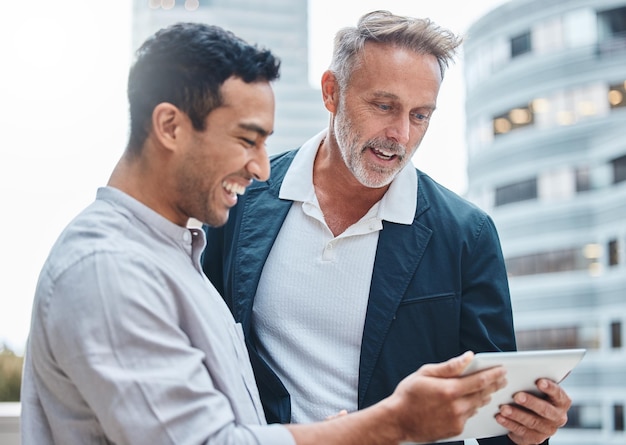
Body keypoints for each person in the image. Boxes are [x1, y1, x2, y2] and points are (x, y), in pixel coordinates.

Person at [20, 21, 508, 445]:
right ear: (170, 126)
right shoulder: (109, 270)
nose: (260, 169)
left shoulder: (177, 251)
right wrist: (389, 424)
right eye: (246, 139)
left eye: (420, 114)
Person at [202, 10, 572, 445]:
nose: (400, 134)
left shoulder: (466, 234)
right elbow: (207, 348)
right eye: (384, 106)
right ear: (331, 92)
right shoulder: (244, 199)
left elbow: (495, 415)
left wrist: (531, 432)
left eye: (420, 116)